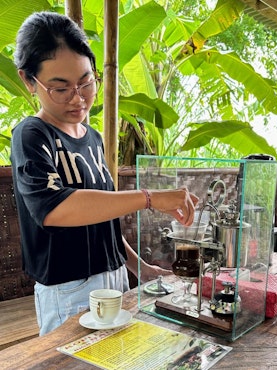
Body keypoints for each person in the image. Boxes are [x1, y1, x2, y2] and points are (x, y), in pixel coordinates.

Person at [11, 11, 199, 336]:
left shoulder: (93, 139)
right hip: (68, 289)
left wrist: (143, 269)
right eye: (60, 88)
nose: (79, 97)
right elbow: (55, 209)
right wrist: (149, 198)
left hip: (115, 279)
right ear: (29, 81)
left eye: (86, 81)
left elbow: (102, 221)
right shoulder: (32, 136)